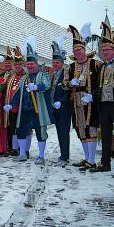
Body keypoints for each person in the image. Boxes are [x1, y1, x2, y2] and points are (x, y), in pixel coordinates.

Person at [5, 36, 55, 164]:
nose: (29, 66)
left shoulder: (43, 75)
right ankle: (22, 154)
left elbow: (47, 85)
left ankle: (41, 156)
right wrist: (11, 105)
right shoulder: (24, 78)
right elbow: (17, 94)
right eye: (28, 64)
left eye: (31, 64)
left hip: (38, 110)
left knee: (40, 133)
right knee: (21, 130)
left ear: (36, 65)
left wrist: (37, 87)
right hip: (25, 110)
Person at [90, 22, 114, 178]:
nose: (104, 53)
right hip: (104, 106)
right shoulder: (102, 66)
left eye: (107, 50)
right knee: (106, 137)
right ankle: (105, 164)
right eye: (102, 50)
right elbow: (99, 85)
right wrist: (93, 95)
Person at [65, 23, 99, 171]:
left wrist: (92, 96)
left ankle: (92, 160)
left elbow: (101, 83)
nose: (77, 52)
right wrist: (69, 83)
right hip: (76, 102)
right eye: (75, 50)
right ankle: (87, 159)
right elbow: (64, 83)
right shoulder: (71, 67)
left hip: (91, 102)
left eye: (79, 49)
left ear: (84, 50)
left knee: (91, 128)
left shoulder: (95, 64)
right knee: (81, 130)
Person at [51, 34, 71, 166]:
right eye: (53, 62)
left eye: (57, 62)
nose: (55, 64)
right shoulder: (54, 75)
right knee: (59, 131)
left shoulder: (66, 73)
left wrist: (61, 101)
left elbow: (68, 91)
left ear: (62, 63)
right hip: (55, 108)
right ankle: (62, 155)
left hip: (64, 108)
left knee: (64, 132)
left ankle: (65, 157)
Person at [4, 47, 25, 155]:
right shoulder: (11, 76)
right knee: (13, 128)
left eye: (19, 65)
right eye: (15, 65)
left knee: (22, 129)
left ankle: (24, 150)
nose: (17, 67)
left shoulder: (26, 77)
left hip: (22, 108)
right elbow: (3, 86)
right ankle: (14, 148)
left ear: (23, 65)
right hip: (12, 108)